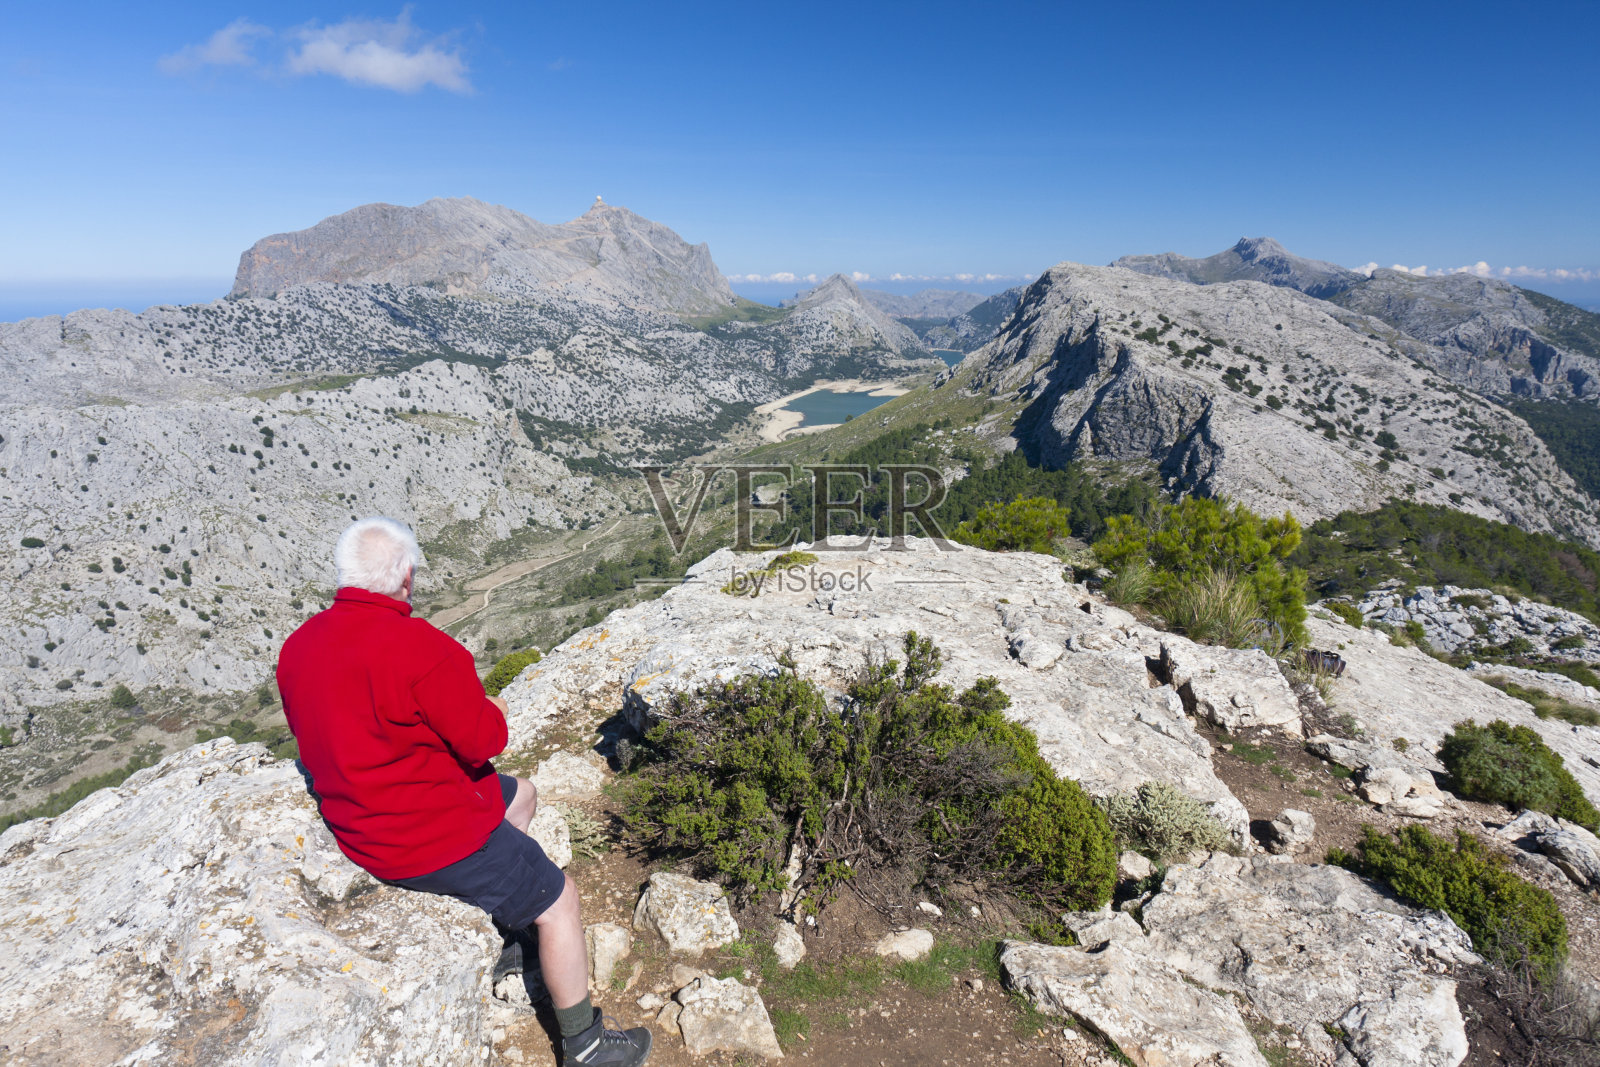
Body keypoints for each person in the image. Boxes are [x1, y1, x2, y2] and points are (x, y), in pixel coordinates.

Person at [276, 516, 651, 1067]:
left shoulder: (299, 647)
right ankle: (586, 1043)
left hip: (359, 824)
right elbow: (485, 741)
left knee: (521, 795)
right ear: (406, 576)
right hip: (429, 840)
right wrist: (489, 706)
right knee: (561, 902)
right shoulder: (424, 650)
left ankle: (504, 921)